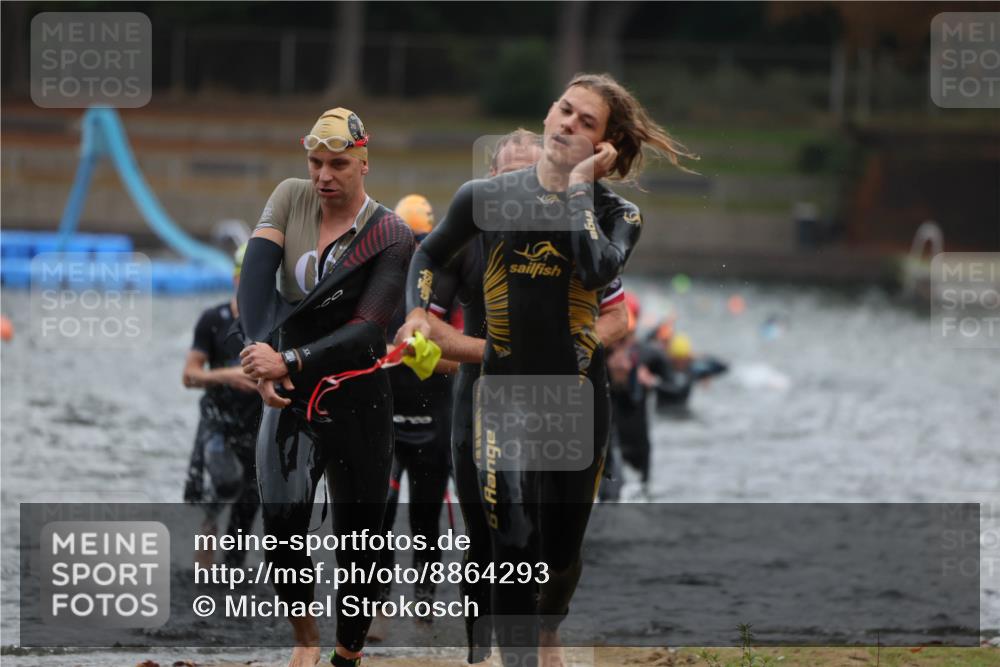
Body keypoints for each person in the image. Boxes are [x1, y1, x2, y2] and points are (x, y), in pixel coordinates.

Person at [397, 74, 694, 666]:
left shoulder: (619, 214)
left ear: (607, 147)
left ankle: (549, 627)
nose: (568, 125)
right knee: (511, 542)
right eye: (564, 111)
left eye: (588, 123)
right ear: (548, 112)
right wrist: (413, 312)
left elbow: (593, 269)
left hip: (575, 399)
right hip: (501, 397)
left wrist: (580, 187)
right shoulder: (485, 198)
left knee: (559, 553)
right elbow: (429, 254)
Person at [402, 128, 630, 664]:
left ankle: (548, 627)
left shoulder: (575, 233)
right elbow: (430, 327)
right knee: (486, 537)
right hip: (479, 398)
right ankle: (483, 654)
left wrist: (576, 345)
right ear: (491, 184)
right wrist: (500, 354)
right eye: (512, 179)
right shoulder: (468, 236)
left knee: (559, 542)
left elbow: (619, 316)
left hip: (561, 398)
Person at [236, 108, 415, 667]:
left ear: (364, 162)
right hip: (287, 389)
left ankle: (347, 654)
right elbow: (255, 280)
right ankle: (304, 642)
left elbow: (368, 328)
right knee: (282, 520)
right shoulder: (290, 197)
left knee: (361, 541)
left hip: (357, 392)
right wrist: (259, 359)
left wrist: (286, 359)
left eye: (338, 164)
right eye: (315, 162)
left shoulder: (390, 233)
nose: (323, 176)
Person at [371, 194, 457, 641]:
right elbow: (361, 350)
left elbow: (464, 358)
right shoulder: (381, 289)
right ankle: (380, 609)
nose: (414, 256)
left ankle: (424, 606)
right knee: (380, 516)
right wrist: (390, 354)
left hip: (435, 424)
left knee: (425, 519)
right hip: (387, 423)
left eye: (422, 244)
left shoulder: (448, 286)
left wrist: (419, 356)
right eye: (407, 246)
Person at [182, 243, 262, 568]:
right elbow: (189, 375)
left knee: (248, 505)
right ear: (235, 278)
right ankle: (201, 570)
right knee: (224, 483)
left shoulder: (271, 324)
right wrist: (230, 376)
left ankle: (232, 575)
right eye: (248, 278)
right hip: (218, 424)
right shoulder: (213, 320)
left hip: (256, 427)